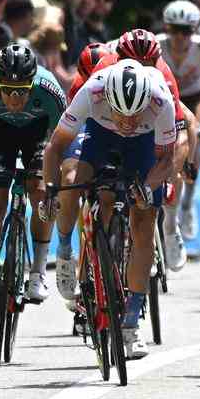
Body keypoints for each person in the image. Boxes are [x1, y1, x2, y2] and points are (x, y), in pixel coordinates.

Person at [42, 59, 179, 359]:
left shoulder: (160, 99)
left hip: (143, 146)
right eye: (122, 113)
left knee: (144, 221)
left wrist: (146, 188)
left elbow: (167, 160)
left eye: (135, 114)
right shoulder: (93, 91)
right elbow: (55, 147)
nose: (127, 123)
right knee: (74, 183)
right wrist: (50, 191)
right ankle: (66, 251)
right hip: (99, 137)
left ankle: (131, 322)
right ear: (107, 99)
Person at [0, 43, 67, 323]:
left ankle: (37, 271)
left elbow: (65, 139)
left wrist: (58, 178)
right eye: (7, 91)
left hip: (39, 134)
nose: (13, 98)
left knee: (40, 192)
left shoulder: (48, 90)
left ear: (32, 84)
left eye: (21, 91)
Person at [158, 0, 200, 255]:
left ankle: (187, 202)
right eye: (175, 30)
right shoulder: (157, 46)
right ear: (167, 28)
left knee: (195, 139)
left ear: (195, 31)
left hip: (194, 100)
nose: (180, 37)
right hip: (165, 98)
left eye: (187, 31)